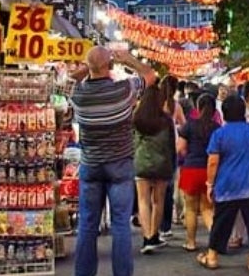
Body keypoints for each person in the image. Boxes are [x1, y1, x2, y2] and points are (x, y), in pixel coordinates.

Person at [69, 46, 157, 276]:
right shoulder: (123, 89)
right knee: (120, 226)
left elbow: (65, 82)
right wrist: (129, 59)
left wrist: (87, 68)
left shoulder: (78, 95)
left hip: (90, 165)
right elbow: (150, 76)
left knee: (87, 226)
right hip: (120, 164)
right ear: (110, 67)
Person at [198, 95, 249, 274]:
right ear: (243, 112)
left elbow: (212, 162)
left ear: (224, 113)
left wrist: (210, 184)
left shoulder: (219, 134)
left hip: (227, 186)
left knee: (221, 222)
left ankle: (212, 257)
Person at [133, 82, 176, 254]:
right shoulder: (166, 120)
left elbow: (133, 142)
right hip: (162, 163)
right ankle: (153, 235)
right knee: (158, 201)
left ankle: (146, 238)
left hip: (142, 162)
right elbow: (171, 144)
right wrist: (172, 164)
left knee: (143, 200)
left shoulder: (137, 119)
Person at [177, 93, 219, 252]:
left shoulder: (188, 126)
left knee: (191, 209)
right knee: (207, 209)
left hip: (191, 169)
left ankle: (191, 242)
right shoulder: (217, 128)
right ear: (215, 110)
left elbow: (180, 148)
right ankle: (216, 241)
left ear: (197, 108)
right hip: (210, 170)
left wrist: (186, 154)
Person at [158, 75, 185, 240]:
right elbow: (184, 125)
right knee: (168, 189)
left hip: (154, 147)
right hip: (171, 146)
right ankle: (165, 226)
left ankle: (152, 226)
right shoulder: (175, 106)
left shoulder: (153, 104)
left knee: (153, 189)